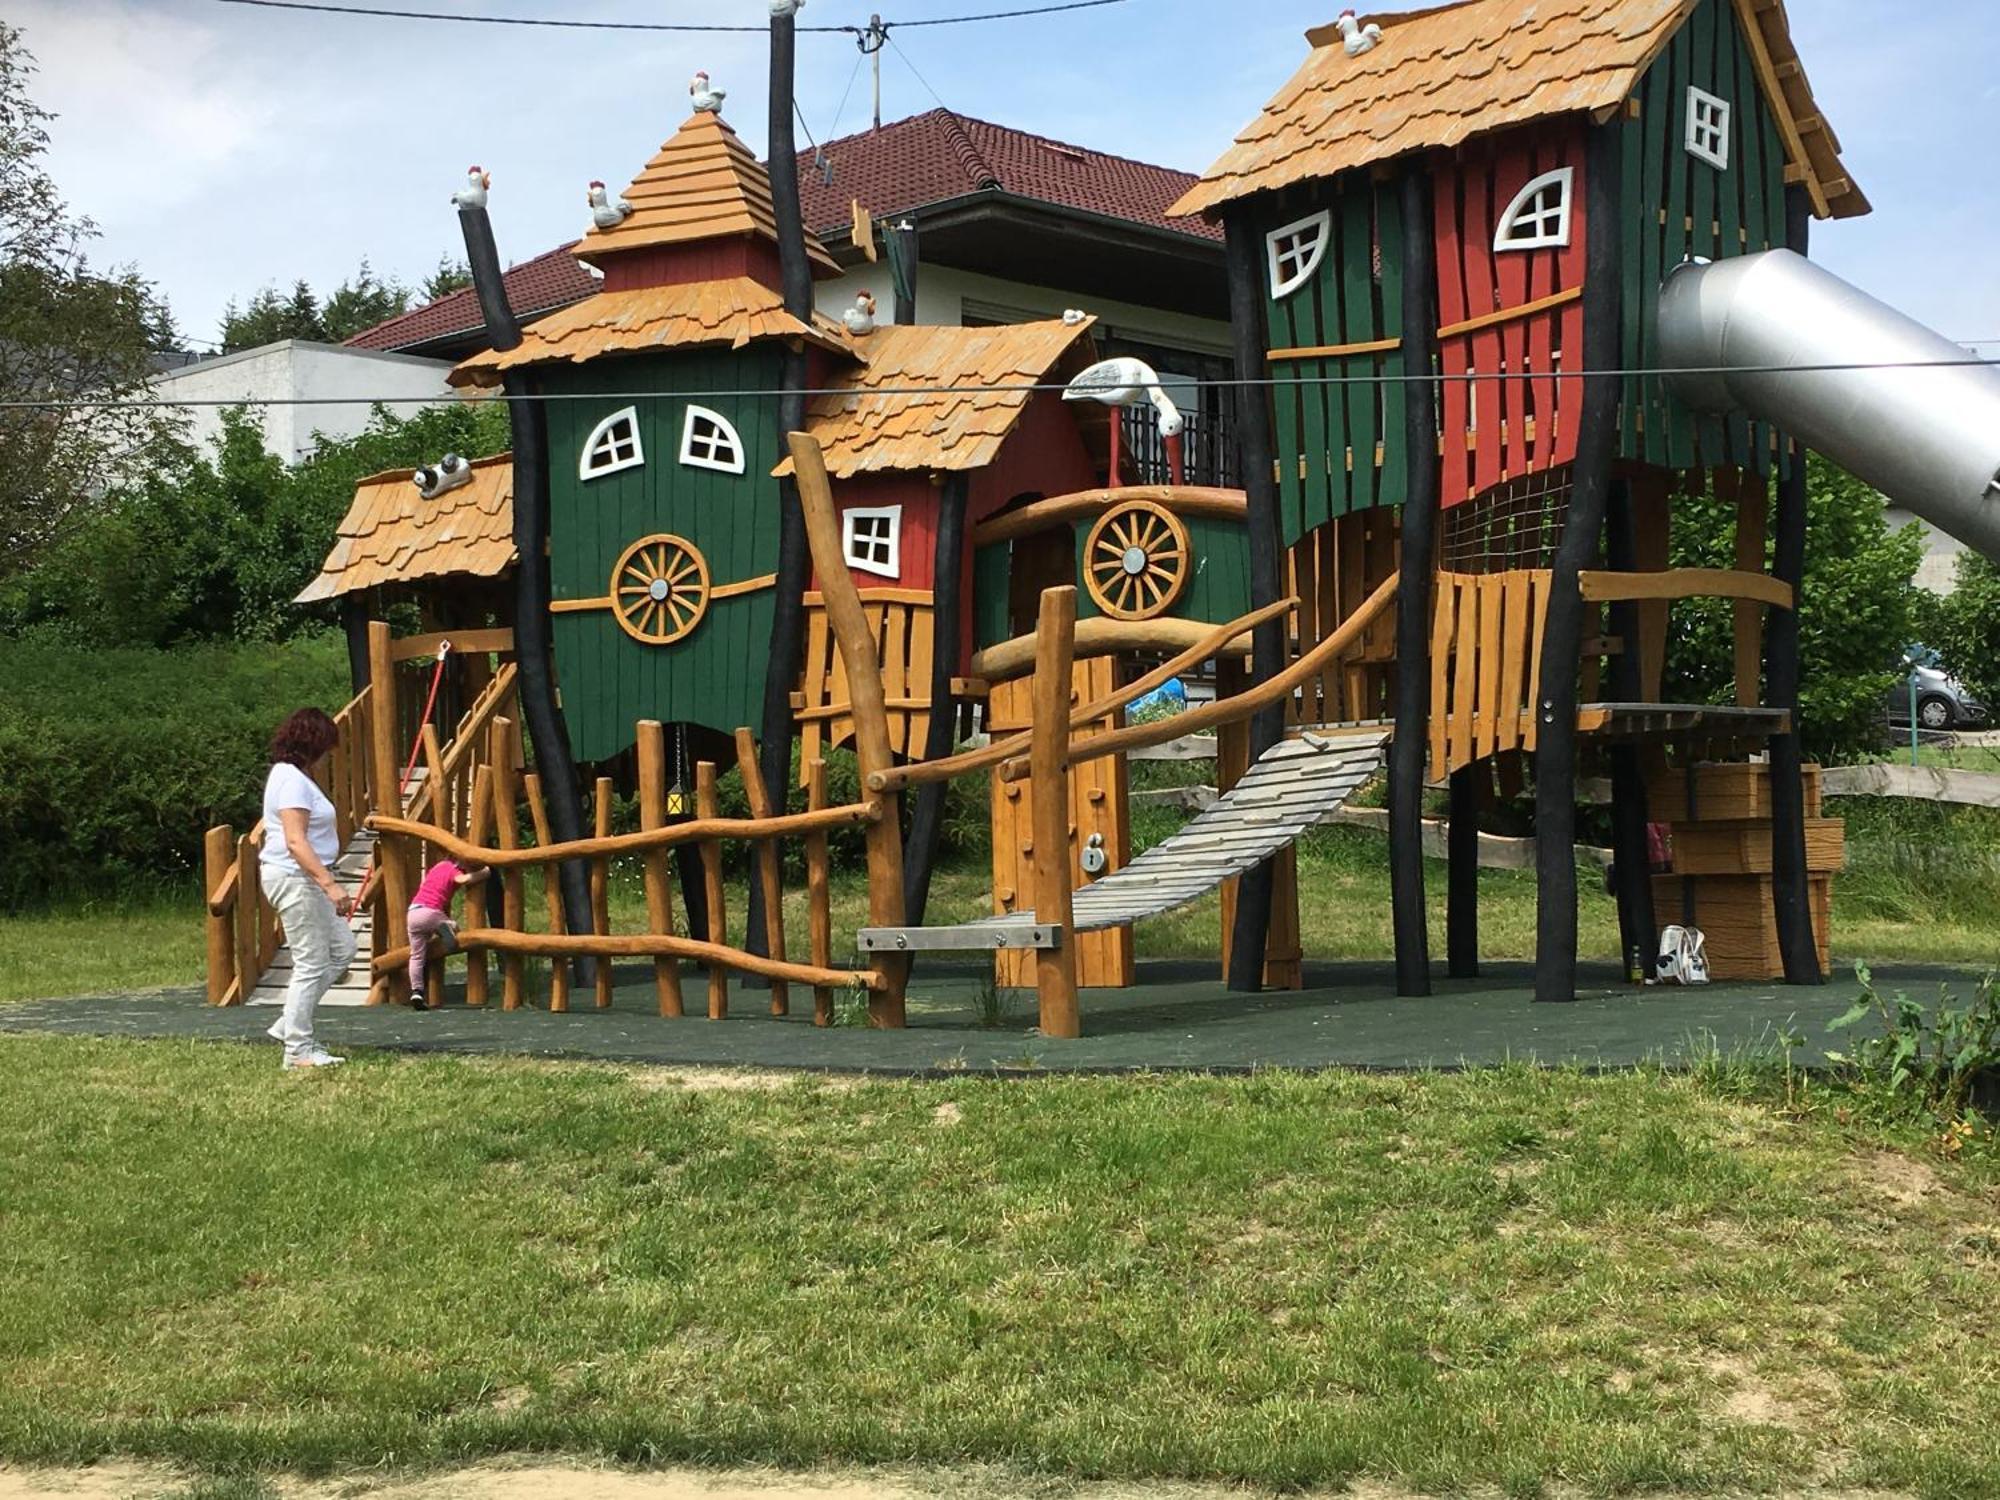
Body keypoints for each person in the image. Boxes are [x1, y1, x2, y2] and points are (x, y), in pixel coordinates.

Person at [259, 707, 355, 1070]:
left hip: (302, 879)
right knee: (311, 963)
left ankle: (289, 1023)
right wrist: (331, 886)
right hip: (296, 879)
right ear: (314, 742)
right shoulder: (292, 781)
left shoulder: (293, 776)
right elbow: (295, 842)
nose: (329, 752)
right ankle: (298, 1051)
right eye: (327, 744)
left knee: (342, 949)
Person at [406, 857, 489, 1009]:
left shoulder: (439, 865)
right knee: (454, 926)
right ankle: (446, 928)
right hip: (430, 912)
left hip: (413, 913)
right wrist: (483, 873)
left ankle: (416, 990)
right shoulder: (454, 871)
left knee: (416, 956)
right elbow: (463, 879)